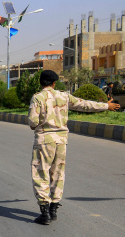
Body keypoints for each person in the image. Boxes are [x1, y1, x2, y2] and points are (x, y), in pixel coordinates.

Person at [28, 70, 119, 224]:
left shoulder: (38, 98)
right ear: (54, 83)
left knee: (41, 173)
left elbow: (32, 122)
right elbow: (83, 104)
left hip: (44, 140)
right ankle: (54, 209)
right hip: (62, 141)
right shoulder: (64, 96)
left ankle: (44, 213)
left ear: (41, 83)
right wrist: (106, 105)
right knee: (58, 173)